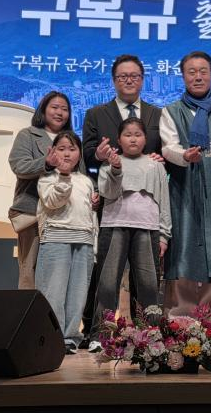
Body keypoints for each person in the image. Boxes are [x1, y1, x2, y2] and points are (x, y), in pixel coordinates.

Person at [81, 54, 163, 344]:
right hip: (112, 209)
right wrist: (100, 156)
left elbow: (165, 150)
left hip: (147, 214)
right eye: (122, 76)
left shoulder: (157, 114)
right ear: (114, 80)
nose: (129, 80)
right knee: (106, 277)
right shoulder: (96, 113)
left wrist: (160, 158)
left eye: (134, 76)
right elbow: (86, 153)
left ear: (142, 80)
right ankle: (99, 333)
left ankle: (147, 337)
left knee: (147, 280)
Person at [160, 51, 211, 316]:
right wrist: (184, 156)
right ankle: (181, 317)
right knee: (184, 247)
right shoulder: (171, 111)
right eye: (192, 72)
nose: (198, 77)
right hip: (184, 189)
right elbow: (168, 147)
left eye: (203, 71)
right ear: (183, 76)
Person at [89, 117, 171, 352]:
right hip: (114, 225)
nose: (133, 139)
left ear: (146, 139)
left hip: (147, 227)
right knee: (107, 283)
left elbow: (164, 201)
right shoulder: (108, 165)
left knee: (148, 285)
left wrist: (164, 234)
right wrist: (115, 169)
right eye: (127, 134)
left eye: (138, 134)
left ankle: (150, 334)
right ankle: (100, 335)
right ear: (119, 139)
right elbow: (108, 192)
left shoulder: (155, 165)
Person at [8, 91, 80, 289]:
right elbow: (19, 166)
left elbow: (80, 175)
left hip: (66, 216)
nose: (60, 113)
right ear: (43, 110)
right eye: (54, 107)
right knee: (30, 268)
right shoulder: (28, 135)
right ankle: (29, 309)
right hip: (33, 212)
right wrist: (46, 163)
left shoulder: (73, 139)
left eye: (64, 109)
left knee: (60, 272)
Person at [35, 130, 99, 355]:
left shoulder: (86, 181)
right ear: (52, 152)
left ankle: (71, 337)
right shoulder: (47, 178)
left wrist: (93, 246)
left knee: (77, 294)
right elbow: (53, 202)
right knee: (53, 291)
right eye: (61, 148)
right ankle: (52, 336)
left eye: (72, 149)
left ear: (79, 153)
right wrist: (62, 176)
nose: (67, 153)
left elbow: (91, 217)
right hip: (56, 239)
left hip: (84, 241)